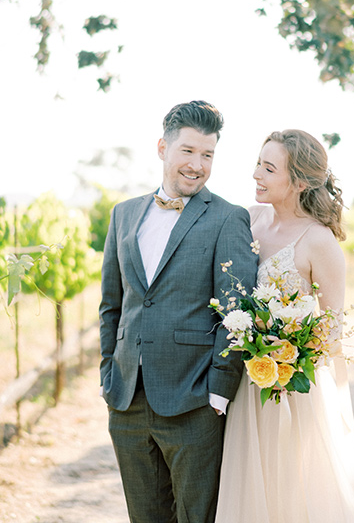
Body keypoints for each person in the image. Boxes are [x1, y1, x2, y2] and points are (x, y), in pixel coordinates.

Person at [99, 100, 258, 523]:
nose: (197, 165)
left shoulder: (228, 218)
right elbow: (111, 305)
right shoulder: (124, 214)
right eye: (187, 151)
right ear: (162, 148)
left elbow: (236, 311)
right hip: (127, 400)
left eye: (207, 155)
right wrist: (107, 375)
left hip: (194, 403)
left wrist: (218, 392)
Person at [215, 129, 354, 523]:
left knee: (294, 493)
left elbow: (333, 331)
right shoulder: (248, 220)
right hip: (247, 384)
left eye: (269, 168)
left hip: (293, 392)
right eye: (258, 163)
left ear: (300, 182)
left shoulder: (319, 242)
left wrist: (286, 355)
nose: (256, 174)